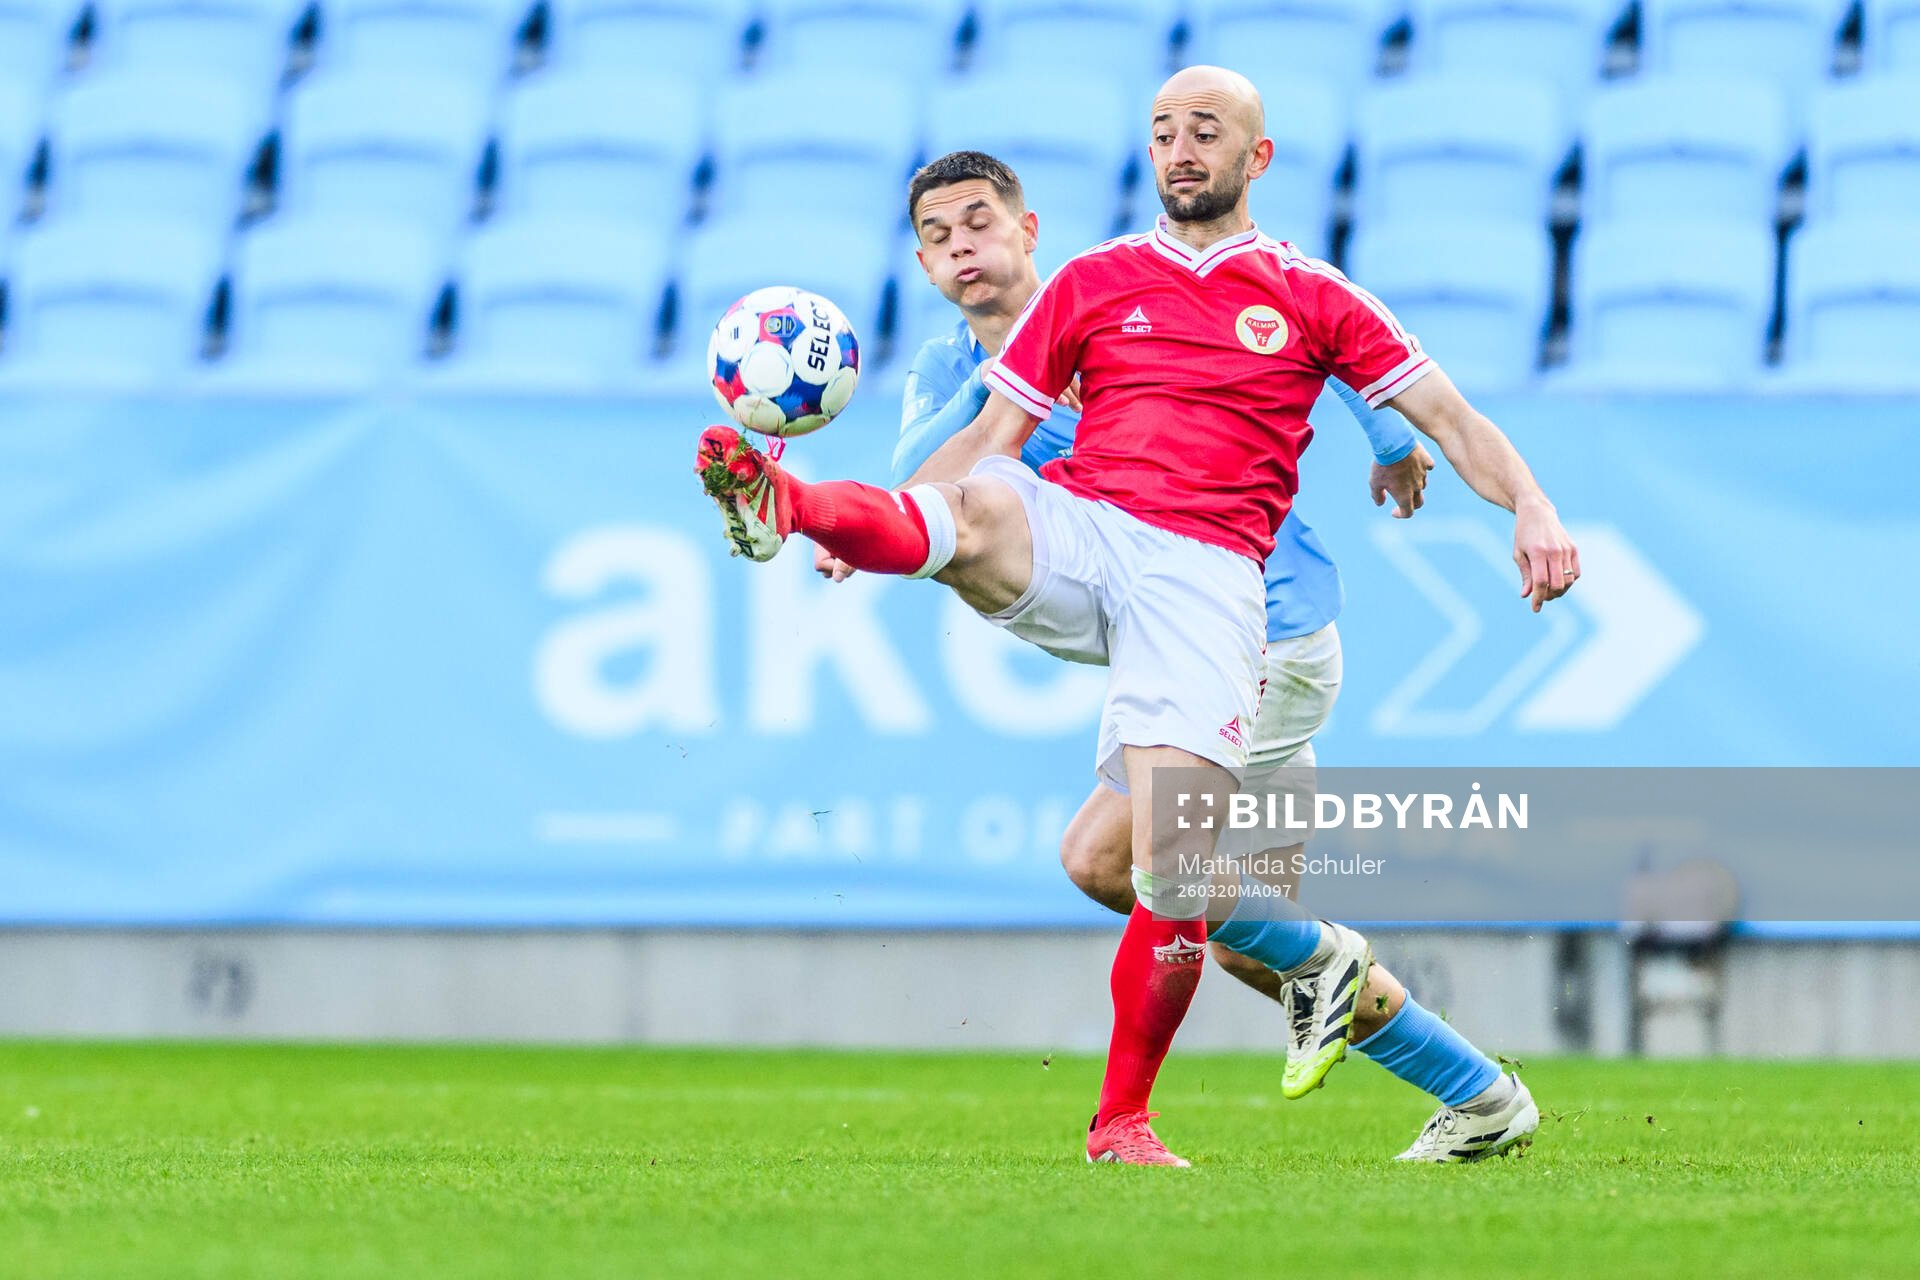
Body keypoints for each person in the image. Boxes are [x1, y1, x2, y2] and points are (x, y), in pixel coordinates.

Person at [697, 66, 1579, 1166]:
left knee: (1157, 875)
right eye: (1162, 132)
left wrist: (1511, 493)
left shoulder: (1301, 291)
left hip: (1251, 616)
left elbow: (1429, 404)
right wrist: (852, 525)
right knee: (1121, 838)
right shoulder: (1062, 308)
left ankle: (1248, 1051)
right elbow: (966, 468)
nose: (1179, 148)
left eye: (1205, 131)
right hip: (1110, 552)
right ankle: (1470, 1087)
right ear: (922, 264)